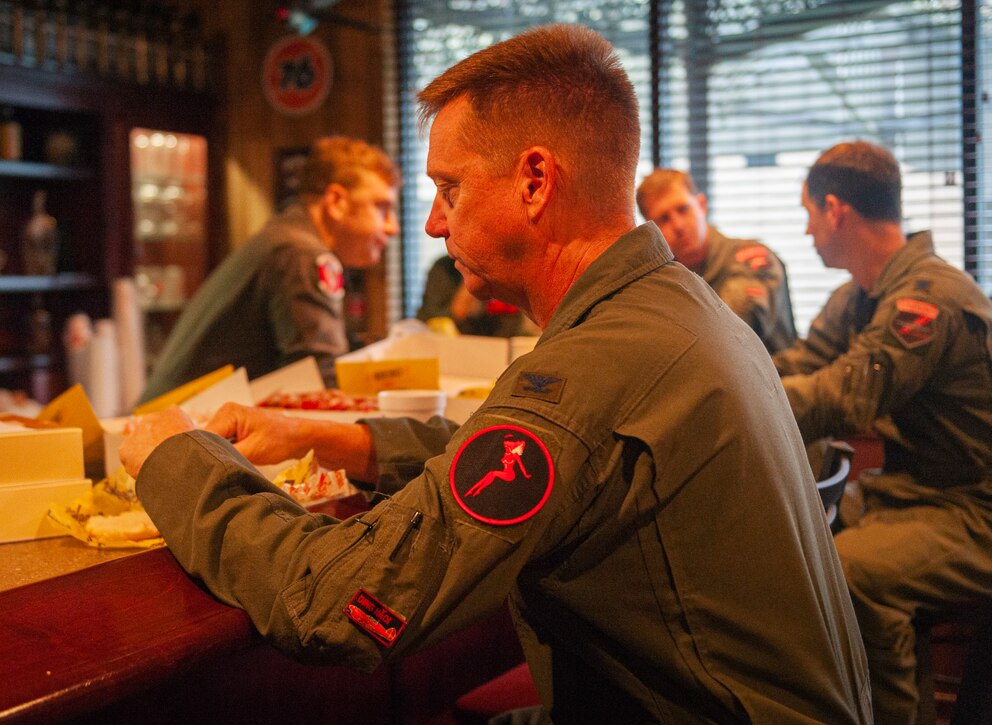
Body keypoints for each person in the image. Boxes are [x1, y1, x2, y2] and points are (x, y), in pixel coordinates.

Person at [122, 25, 871, 722]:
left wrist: (176, 460)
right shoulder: (674, 307)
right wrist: (331, 436)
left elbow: (344, 601)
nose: (433, 224)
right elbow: (534, 455)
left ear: (535, 180)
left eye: (450, 189)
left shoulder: (593, 364)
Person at [772, 140, 992, 724]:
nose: (808, 230)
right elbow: (800, 364)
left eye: (809, 214)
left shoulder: (926, 300)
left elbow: (845, 395)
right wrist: (726, 371)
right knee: (801, 558)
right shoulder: (862, 295)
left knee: (854, 573)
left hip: (972, 508)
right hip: (914, 496)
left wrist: (737, 400)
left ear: (837, 210)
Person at [138, 136, 400, 403]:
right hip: (180, 433)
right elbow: (320, 380)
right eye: (382, 208)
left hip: (175, 421)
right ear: (336, 202)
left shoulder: (285, 236)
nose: (393, 227)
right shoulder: (302, 253)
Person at [636, 169, 797, 353]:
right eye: (664, 219)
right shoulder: (663, 283)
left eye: (683, 209)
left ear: (702, 205)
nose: (678, 226)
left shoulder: (751, 259)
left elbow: (731, 335)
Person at [416, 254, 539, 337]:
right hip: (463, 351)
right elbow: (431, 321)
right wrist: (473, 271)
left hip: (507, 348)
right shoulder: (445, 269)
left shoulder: (513, 264)